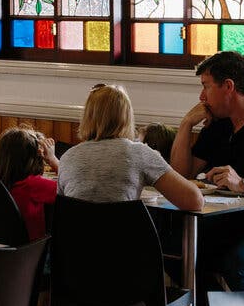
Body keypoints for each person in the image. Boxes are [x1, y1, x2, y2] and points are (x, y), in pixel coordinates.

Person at [170, 51, 244, 291]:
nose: (201, 96)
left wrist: (243, 184)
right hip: (223, 220)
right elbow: (179, 175)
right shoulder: (218, 125)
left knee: (237, 264)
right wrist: (186, 124)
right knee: (173, 249)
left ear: (228, 86)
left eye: (206, 87)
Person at [58, 84, 203, 211]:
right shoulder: (139, 153)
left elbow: (62, 208)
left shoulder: (67, 157)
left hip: (75, 241)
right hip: (127, 241)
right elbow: (194, 201)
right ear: (127, 117)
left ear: (87, 117)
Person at [0, 127, 58, 241]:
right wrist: (53, 160)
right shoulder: (34, 185)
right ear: (36, 158)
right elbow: (70, 187)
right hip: (31, 250)